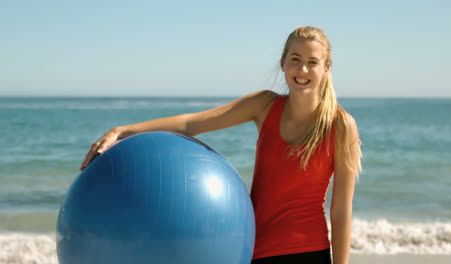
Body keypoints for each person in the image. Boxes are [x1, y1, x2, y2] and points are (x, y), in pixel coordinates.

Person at [80, 26, 362, 264]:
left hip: (309, 250)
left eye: (313, 62)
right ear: (283, 63)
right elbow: (193, 124)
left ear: (326, 68)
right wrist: (124, 130)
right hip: (255, 248)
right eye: (295, 59)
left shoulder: (340, 125)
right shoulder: (264, 106)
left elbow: (340, 210)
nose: (302, 69)